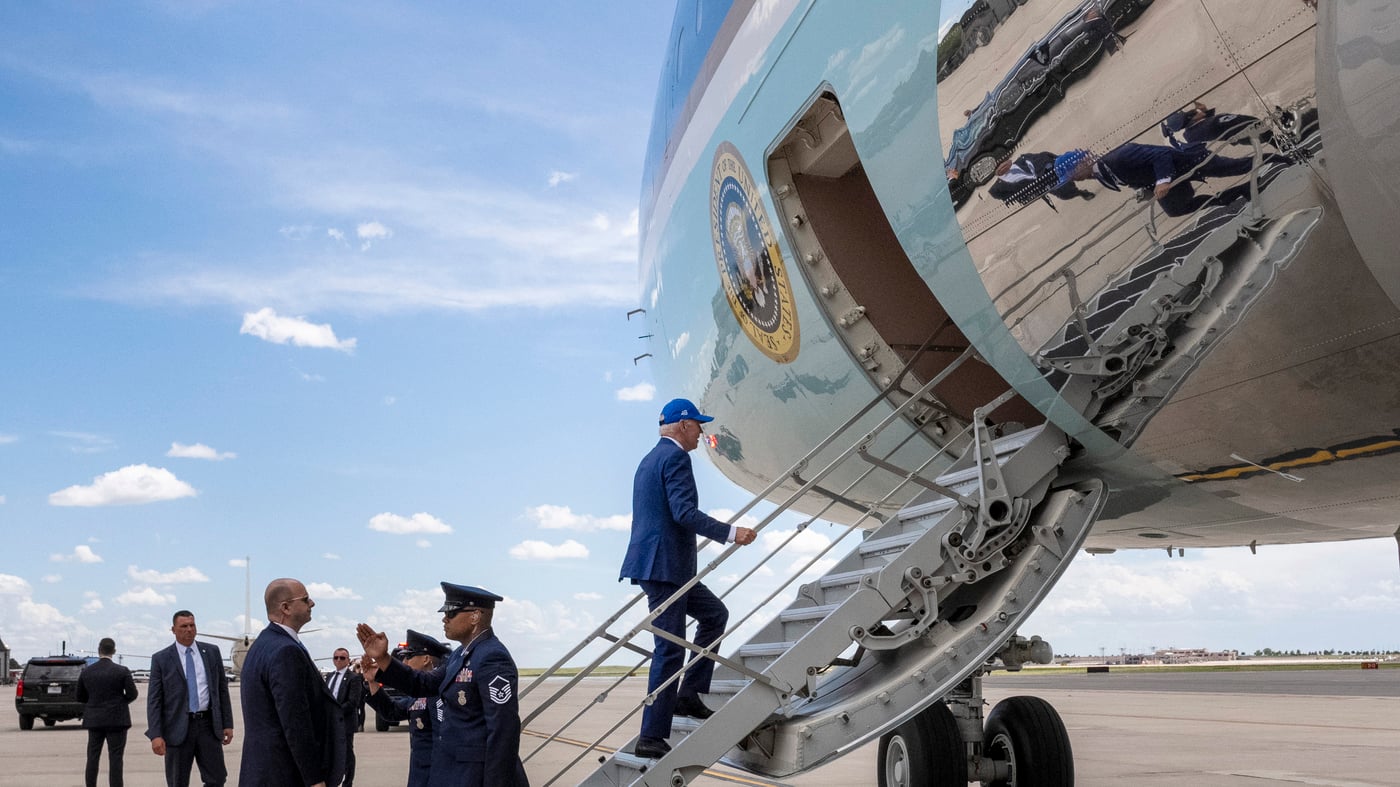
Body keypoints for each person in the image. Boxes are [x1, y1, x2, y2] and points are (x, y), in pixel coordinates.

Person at [619, 397, 757, 760]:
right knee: (669, 647)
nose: (701, 432)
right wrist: (730, 533)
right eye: (697, 425)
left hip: (664, 566)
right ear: (682, 426)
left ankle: (689, 694)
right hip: (665, 567)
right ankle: (650, 735)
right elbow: (684, 513)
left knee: (714, 615)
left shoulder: (649, 459)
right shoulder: (677, 457)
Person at [356, 583, 529, 787]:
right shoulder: (459, 655)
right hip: (451, 772)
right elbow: (423, 684)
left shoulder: (492, 657)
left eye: (452, 612)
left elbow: (503, 732)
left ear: (475, 616)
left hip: (475, 776)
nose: (444, 618)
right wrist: (384, 659)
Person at [239, 578, 345, 787]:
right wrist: (314, 779)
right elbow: (295, 721)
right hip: (285, 774)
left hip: (263, 771)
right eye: (305, 599)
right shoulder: (285, 651)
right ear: (285, 608)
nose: (312, 603)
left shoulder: (263, 645)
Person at [146, 610, 235, 787]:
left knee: (217, 778)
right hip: (177, 729)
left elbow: (221, 690)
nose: (189, 630)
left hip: (208, 726)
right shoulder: (161, 659)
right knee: (177, 781)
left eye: (192, 625)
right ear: (173, 629)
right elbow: (154, 700)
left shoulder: (211, 652)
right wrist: (155, 734)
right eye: (184, 626)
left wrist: (227, 723)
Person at [1053, 144, 1255, 218]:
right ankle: (1237, 195)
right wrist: (1147, 189)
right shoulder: (1102, 173)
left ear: (1081, 164)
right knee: (1175, 208)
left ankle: (1276, 159)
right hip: (1172, 178)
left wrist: (1162, 181)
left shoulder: (1117, 157)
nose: (1076, 180)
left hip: (1187, 162)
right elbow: (1134, 175)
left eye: (1073, 175)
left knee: (1236, 167)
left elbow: (1160, 155)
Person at [362, 630, 452, 787]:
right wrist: (372, 682)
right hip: (418, 775)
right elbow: (391, 711)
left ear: (426, 659)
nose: (404, 662)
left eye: (409, 656)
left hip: (438, 776)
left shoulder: (442, 691)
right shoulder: (417, 695)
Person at [76, 637, 139, 787]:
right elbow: (133, 694)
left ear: (99, 650)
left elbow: (80, 696)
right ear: (114, 651)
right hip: (117, 719)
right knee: (116, 758)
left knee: (92, 756)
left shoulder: (87, 672)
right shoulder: (122, 671)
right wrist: (121, 702)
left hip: (94, 719)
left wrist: (93, 703)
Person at [987, 151, 1096, 208]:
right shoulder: (1002, 186)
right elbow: (997, 194)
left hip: (1050, 168)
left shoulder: (1023, 159)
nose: (1003, 166)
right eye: (999, 168)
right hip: (1046, 184)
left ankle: (1096, 173)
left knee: (1078, 171)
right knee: (1066, 193)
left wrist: (1054, 160)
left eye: (1003, 163)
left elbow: (1043, 155)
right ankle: (1080, 193)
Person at [325, 647, 366, 787]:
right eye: (335, 657)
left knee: (347, 754)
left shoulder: (353, 678)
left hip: (345, 721)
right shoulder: (329, 676)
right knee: (330, 752)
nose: (338, 660)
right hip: (330, 722)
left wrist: (335, 712)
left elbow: (353, 702)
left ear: (348, 661)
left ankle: (347, 783)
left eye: (342, 658)